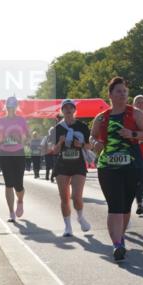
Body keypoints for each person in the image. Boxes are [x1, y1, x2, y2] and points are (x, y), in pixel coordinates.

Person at [91, 77, 143, 261]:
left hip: (132, 166)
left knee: (126, 206)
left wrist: (131, 134)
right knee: (115, 205)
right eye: (118, 91)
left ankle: (120, 236)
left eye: (125, 91)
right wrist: (95, 143)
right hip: (108, 168)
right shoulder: (102, 117)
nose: (123, 94)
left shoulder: (135, 114)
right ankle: (117, 244)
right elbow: (92, 137)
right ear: (110, 95)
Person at [52, 99, 92, 237]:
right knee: (64, 198)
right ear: (62, 111)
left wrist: (80, 145)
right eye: (65, 108)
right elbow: (54, 151)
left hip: (78, 165)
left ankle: (80, 217)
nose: (68, 110)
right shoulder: (57, 128)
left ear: (75, 110)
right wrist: (60, 142)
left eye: (71, 108)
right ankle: (68, 226)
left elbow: (89, 146)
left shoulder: (82, 126)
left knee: (76, 197)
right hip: (62, 165)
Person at [0, 97, 29, 222]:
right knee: (8, 184)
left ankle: (20, 201)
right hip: (5, 154)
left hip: (18, 154)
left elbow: (28, 137)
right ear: (6, 107)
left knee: (18, 185)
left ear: (16, 107)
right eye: (9, 106)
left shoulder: (21, 120)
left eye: (13, 106)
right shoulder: (1, 121)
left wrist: (20, 138)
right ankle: (11, 213)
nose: (11, 109)